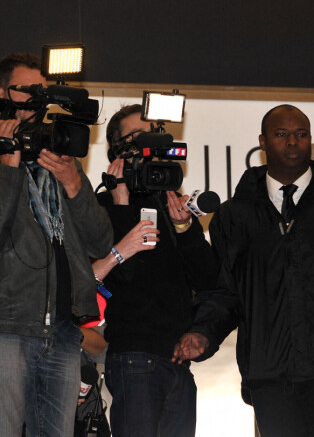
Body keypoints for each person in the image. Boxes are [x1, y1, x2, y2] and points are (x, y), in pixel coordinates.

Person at [173, 104, 314, 437]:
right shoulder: (234, 215)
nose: (292, 142)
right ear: (262, 141)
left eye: (301, 134)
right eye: (281, 134)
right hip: (269, 375)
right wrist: (204, 332)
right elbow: (226, 292)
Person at [0, 52, 114, 437]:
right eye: (24, 89)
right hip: (8, 324)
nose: (33, 99)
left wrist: (73, 185)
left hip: (64, 329)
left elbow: (100, 241)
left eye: (39, 90)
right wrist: (7, 162)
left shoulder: (60, 156)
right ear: (1, 91)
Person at [94, 104, 218, 437]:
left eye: (154, 136)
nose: (149, 145)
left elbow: (208, 280)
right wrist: (121, 204)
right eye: (137, 137)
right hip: (134, 357)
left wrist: (184, 227)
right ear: (117, 151)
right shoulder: (102, 207)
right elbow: (123, 276)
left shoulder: (172, 204)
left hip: (178, 363)